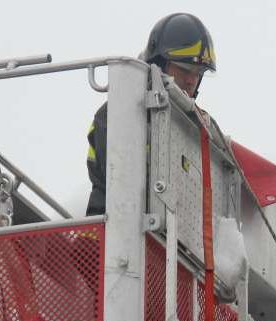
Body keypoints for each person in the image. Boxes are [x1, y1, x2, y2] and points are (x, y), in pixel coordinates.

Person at [85, 13, 216, 216]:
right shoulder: (121, 111)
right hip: (108, 236)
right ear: (159, 64)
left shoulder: (189, 128)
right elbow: (121, 183)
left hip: (164, 238)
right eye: (184, 69)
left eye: (198, 73)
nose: (192, 80)